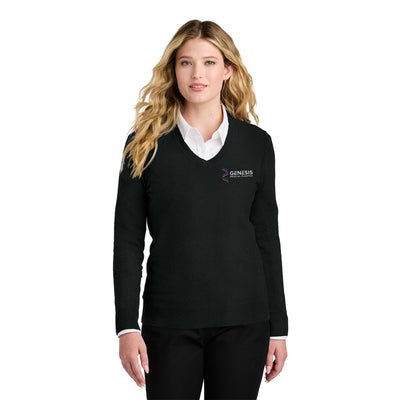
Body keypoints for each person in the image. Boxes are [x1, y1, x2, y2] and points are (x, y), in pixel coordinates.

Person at [113, 19, 289, 400]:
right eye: (186, 63)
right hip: (168, 324)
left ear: (228, 70)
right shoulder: (143, 145)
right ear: (173, 70)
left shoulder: (256, 145)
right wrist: (126, 326)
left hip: (245, 323)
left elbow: (266, 238)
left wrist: (279, 327)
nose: (197, 74)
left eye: (209, 62)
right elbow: (127, 241)